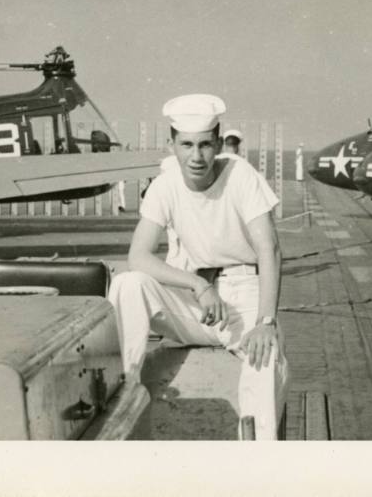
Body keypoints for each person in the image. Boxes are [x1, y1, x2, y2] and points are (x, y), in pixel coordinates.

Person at [107, 94, 289, 440]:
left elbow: (270, 249)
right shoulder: (164, 186)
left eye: (205, 145)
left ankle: (258, 464)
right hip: (196, 305)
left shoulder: (240, 175)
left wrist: (266, 321)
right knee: (128, 284)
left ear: (218, 144)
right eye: (186, 145)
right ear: (171, 145)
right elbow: (139, 256)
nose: (196, 156)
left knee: (264, 362)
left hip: (243, 301)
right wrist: (197, 285)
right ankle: (124, 391)